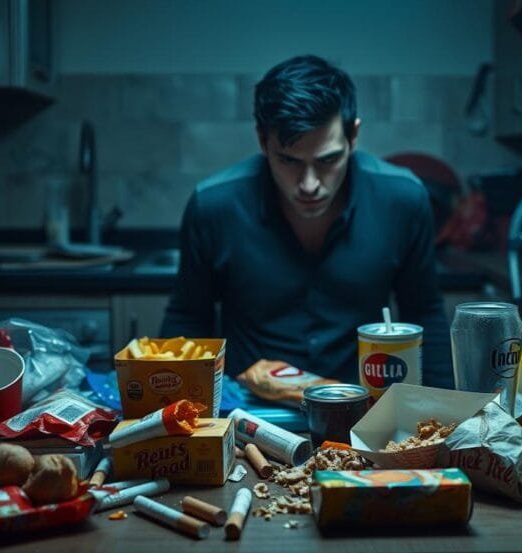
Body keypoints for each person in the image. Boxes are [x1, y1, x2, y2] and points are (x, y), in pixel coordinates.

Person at [160, 55, 452, 391]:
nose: (310, 184)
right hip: (248, 412)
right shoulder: (214, 206)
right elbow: (188, 318)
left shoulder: (402, 200)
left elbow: (425, 312)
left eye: (328, 160)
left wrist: (445, 421)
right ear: (262, 140)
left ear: (353, 136)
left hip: (362, 406)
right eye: (288, 161)